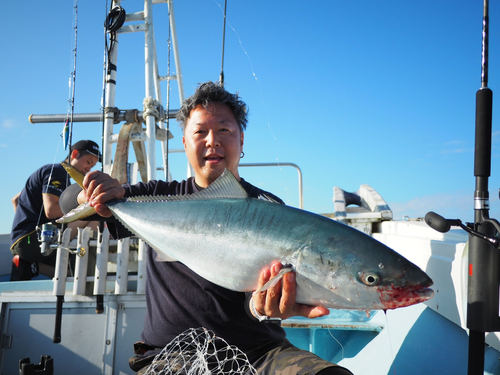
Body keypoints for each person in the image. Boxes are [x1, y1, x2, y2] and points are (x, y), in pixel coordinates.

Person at [62, 83, 353, 375]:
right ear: (186, 143)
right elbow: (66, 204)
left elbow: (254, 300)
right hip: (168, 355)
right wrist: (86, 194)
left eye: (224, 130)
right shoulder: (157, 197)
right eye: (200, 132)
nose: (212, 141)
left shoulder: (267, 208)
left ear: (241, 140)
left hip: (260, 353)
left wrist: (263, 307)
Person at [10, 140, 101, 281]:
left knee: (70, 273)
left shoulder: (47, 172)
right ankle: (88, 267)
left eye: (93, 165)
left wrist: (25, 227)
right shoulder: (58, 172)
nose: (89, 168)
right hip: (34, 241)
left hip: (21, 241)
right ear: (75, 154)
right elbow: (51, 210)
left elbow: (15, 200)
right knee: (94, 215)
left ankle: (30, 267)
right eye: (88, 162)